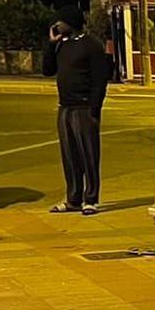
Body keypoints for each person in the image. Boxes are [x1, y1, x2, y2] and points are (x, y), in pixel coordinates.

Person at [45, 19, 110, 214]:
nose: (57, 25)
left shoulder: (91, 45)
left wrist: (94, 107)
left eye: (61, 22)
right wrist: (51, 44)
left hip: (84, 107)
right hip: (65, 106)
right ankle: (73, 199)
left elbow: (100, 79)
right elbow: (47, 70)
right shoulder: (62, 45)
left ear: (71, 22)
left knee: (88, 154)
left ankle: (91, 198)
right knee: (69, 155)